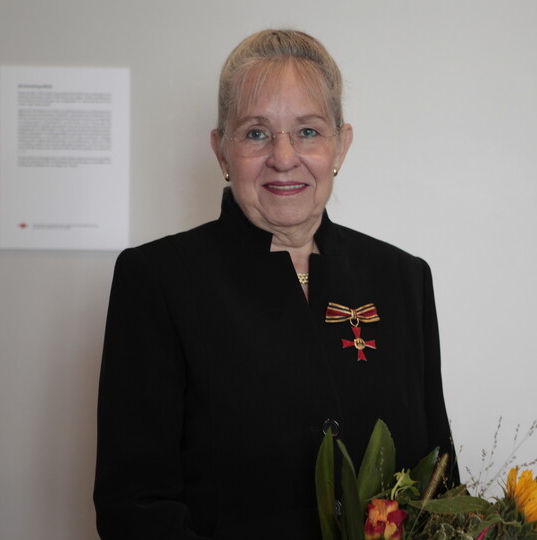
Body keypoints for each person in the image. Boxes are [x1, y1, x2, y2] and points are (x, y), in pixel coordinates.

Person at [93, 29, 456, 539]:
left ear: (340, 145)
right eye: (256, 133)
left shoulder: (402, 279)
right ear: (222, 150)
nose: (284, 157)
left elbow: (439, 484)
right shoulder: (157, 281)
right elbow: (134, 506)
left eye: (308, 131)